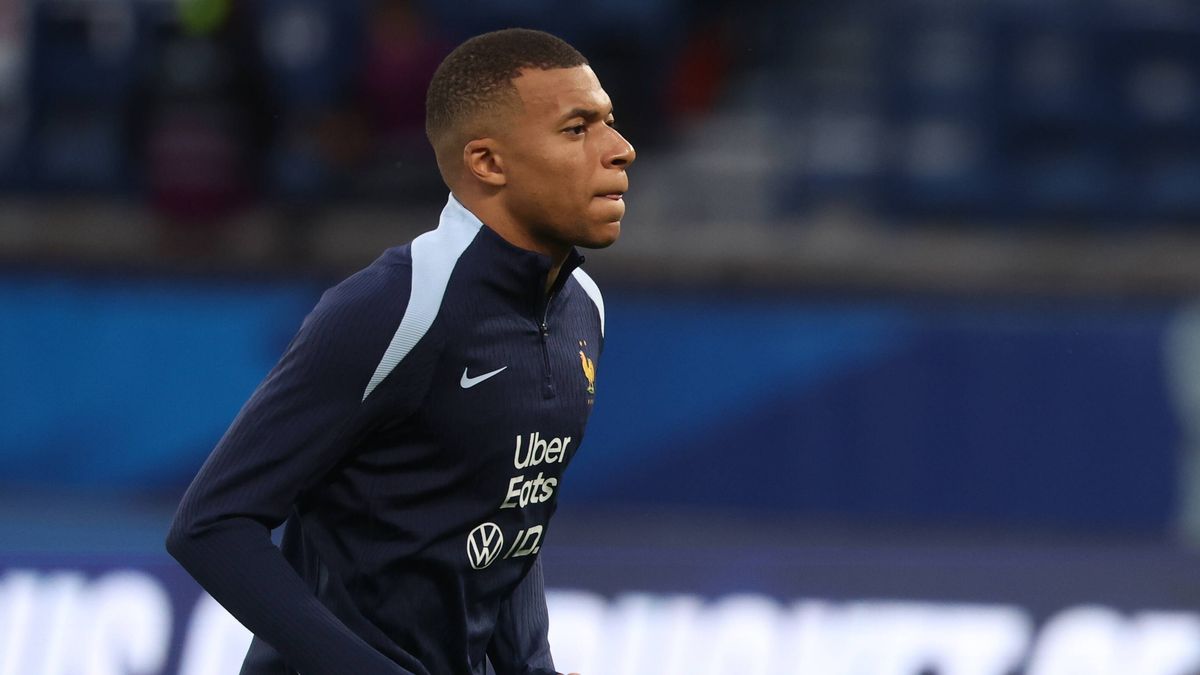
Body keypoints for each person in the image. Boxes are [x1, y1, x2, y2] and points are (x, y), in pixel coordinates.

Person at [166, 27, 635, 675]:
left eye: (610, 122)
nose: (621, 149)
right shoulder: (397, 306)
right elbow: (210, 525)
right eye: (577, 128)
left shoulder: (583, 306)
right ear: (488, 162)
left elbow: (505, 521)